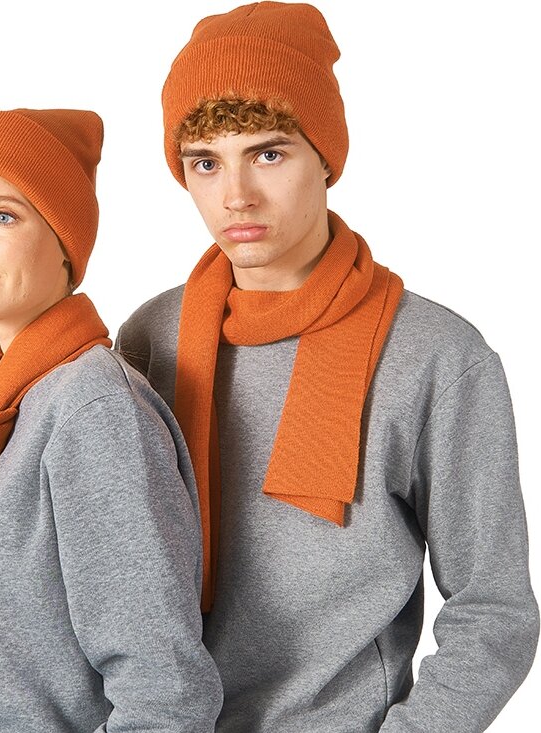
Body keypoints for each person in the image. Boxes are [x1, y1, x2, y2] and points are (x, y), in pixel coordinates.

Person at [116, 2, 539, 731]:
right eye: (206, 162)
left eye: (268, 153)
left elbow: (493, 609)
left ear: (325, 156)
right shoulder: (150, 338)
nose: (236, 195)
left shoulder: (438, 356)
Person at [0, 107, 223, 732]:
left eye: (3, 215)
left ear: (64, 240)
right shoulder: (7, 399)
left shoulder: (93, 410)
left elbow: (165, 693)